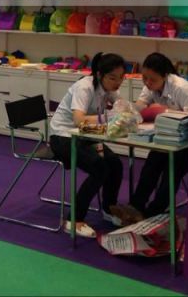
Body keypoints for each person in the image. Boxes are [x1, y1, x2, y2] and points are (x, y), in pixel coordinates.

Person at [49, 52, 126, 238]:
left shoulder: (109, 89)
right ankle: (74, 220)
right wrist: (109, 117)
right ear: (100, 75)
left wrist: (129, 112)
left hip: (86, 134)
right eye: (113, 78)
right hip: (63, 136)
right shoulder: (84, 87)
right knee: (100, 168)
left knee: (115, 164)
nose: (118, 82)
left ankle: (108, 209)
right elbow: (79, 120)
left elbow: (123, 108)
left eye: (121, 77)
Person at [129, 52, 188, 218]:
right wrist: (131, 112)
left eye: (152, 79)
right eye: (145, 78)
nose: (148, 83)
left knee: (171, 172)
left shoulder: (182, 88)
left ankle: (155, 212)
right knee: (151, 166)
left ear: (165, 76)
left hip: (186, 143)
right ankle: (135, 207)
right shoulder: (150, 85)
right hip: (165, 137)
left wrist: (165, 111)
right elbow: (140, 106)